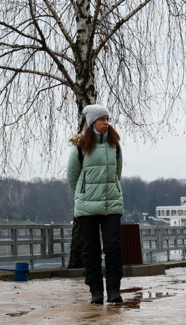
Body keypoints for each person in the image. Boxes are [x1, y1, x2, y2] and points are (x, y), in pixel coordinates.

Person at [67, 104, 124, 304]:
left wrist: (111, 191)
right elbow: (73, 177)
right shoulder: (80, 147)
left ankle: (114, 291)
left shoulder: (114, 144)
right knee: (91, 251)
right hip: (87, 207)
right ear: (92, 123)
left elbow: (117, 173)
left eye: (107, 119)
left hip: (111, 205)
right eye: (102, 119)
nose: (106, 122)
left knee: (113, 248)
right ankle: (96, 292)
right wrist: (84, 194)